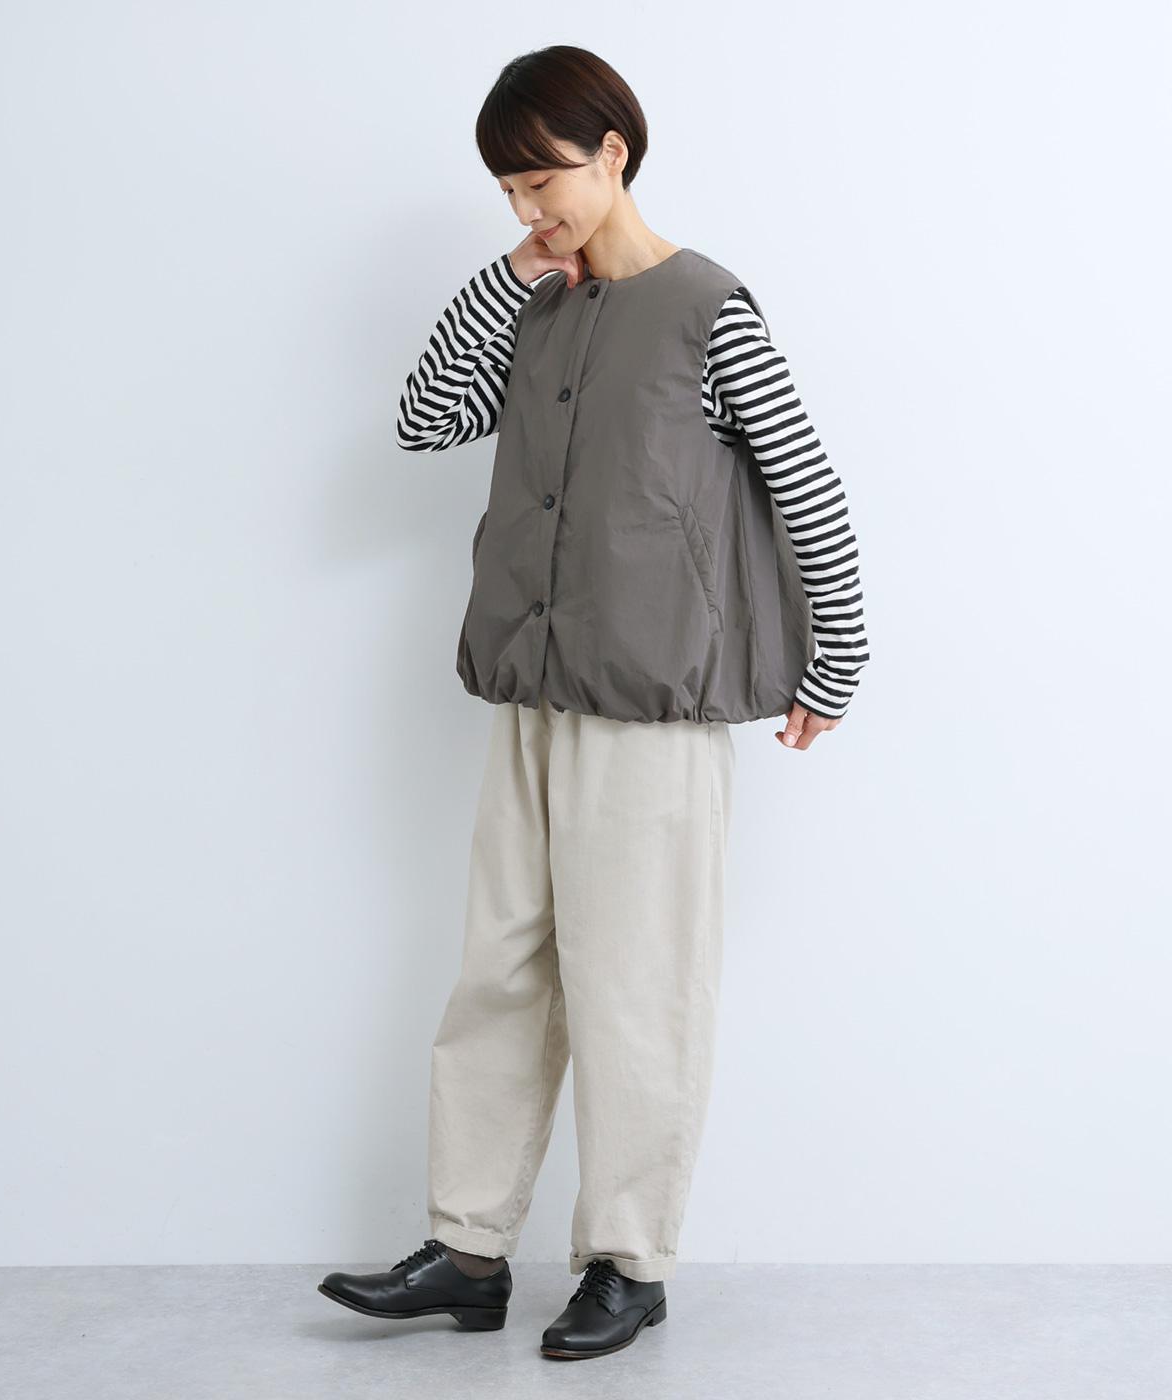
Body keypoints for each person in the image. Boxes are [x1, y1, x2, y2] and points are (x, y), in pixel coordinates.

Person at [319, 44, 871, 1362]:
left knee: (635, 987)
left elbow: (808, 487)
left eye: (545, 179)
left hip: (650, 712)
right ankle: (469, 1250)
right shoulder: (537, 308)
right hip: (532, 690)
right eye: (509, 190)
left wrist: (835, 658)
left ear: (614, 152)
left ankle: (630, 1262)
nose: (531, 207)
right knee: (499, 971)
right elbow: (421, 419)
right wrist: (507, 278)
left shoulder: (709, 311)